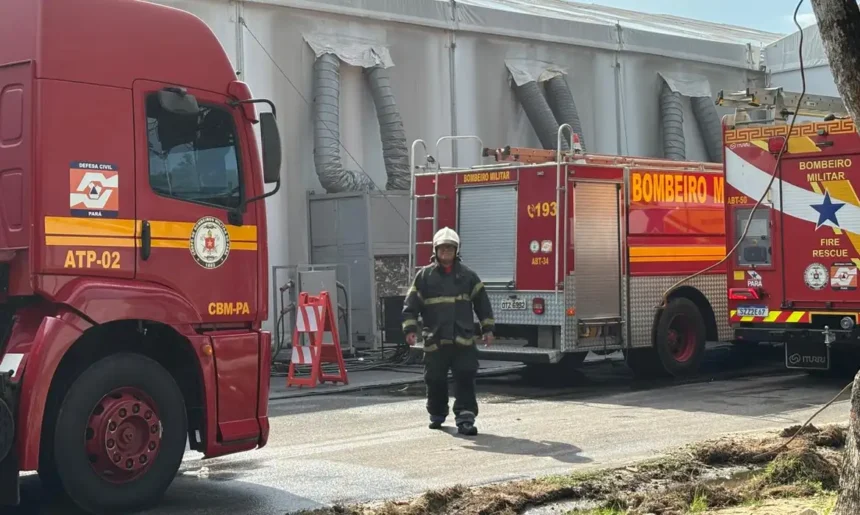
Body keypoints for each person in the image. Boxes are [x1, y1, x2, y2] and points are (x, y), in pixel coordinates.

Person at [402, 227, 495, 436]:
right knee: (434, 379)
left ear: (456, 251)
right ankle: (437, 414)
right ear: (435, 250)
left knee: (465, 377)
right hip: (435, 340)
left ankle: (465, 418)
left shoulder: (468, 276)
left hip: (463, 340)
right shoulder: (424, 276)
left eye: (450, 248)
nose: (446, 252)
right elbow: (410, 306)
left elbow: (483, 304)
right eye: (442, 248)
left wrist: (488, 329)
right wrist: (410, 329)